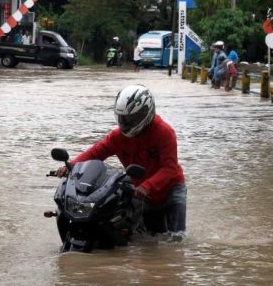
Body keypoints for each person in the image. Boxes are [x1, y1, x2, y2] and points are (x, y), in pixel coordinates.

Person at [56, 85, 187, 242]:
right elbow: (96, 152)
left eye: (131, 118)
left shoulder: (164, 132)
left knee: (176, 240)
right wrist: (71, 166)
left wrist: (147, 186)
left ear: (146, 112)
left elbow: (170, 168)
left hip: (170, 190)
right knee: (150, 240)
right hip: (142, 192)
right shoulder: (118, 136)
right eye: (123, 118)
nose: (126, 122)